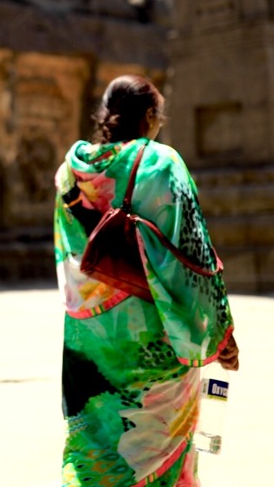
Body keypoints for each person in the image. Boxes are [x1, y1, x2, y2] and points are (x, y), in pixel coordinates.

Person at [53, 74, 239, 486]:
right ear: (151, 116)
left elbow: (69, 257)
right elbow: (194, 258)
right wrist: (220, 332)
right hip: (153, 339)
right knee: (159, 451)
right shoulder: (161, 162)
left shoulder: (69, 173)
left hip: (90, 341)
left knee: (95, 449)